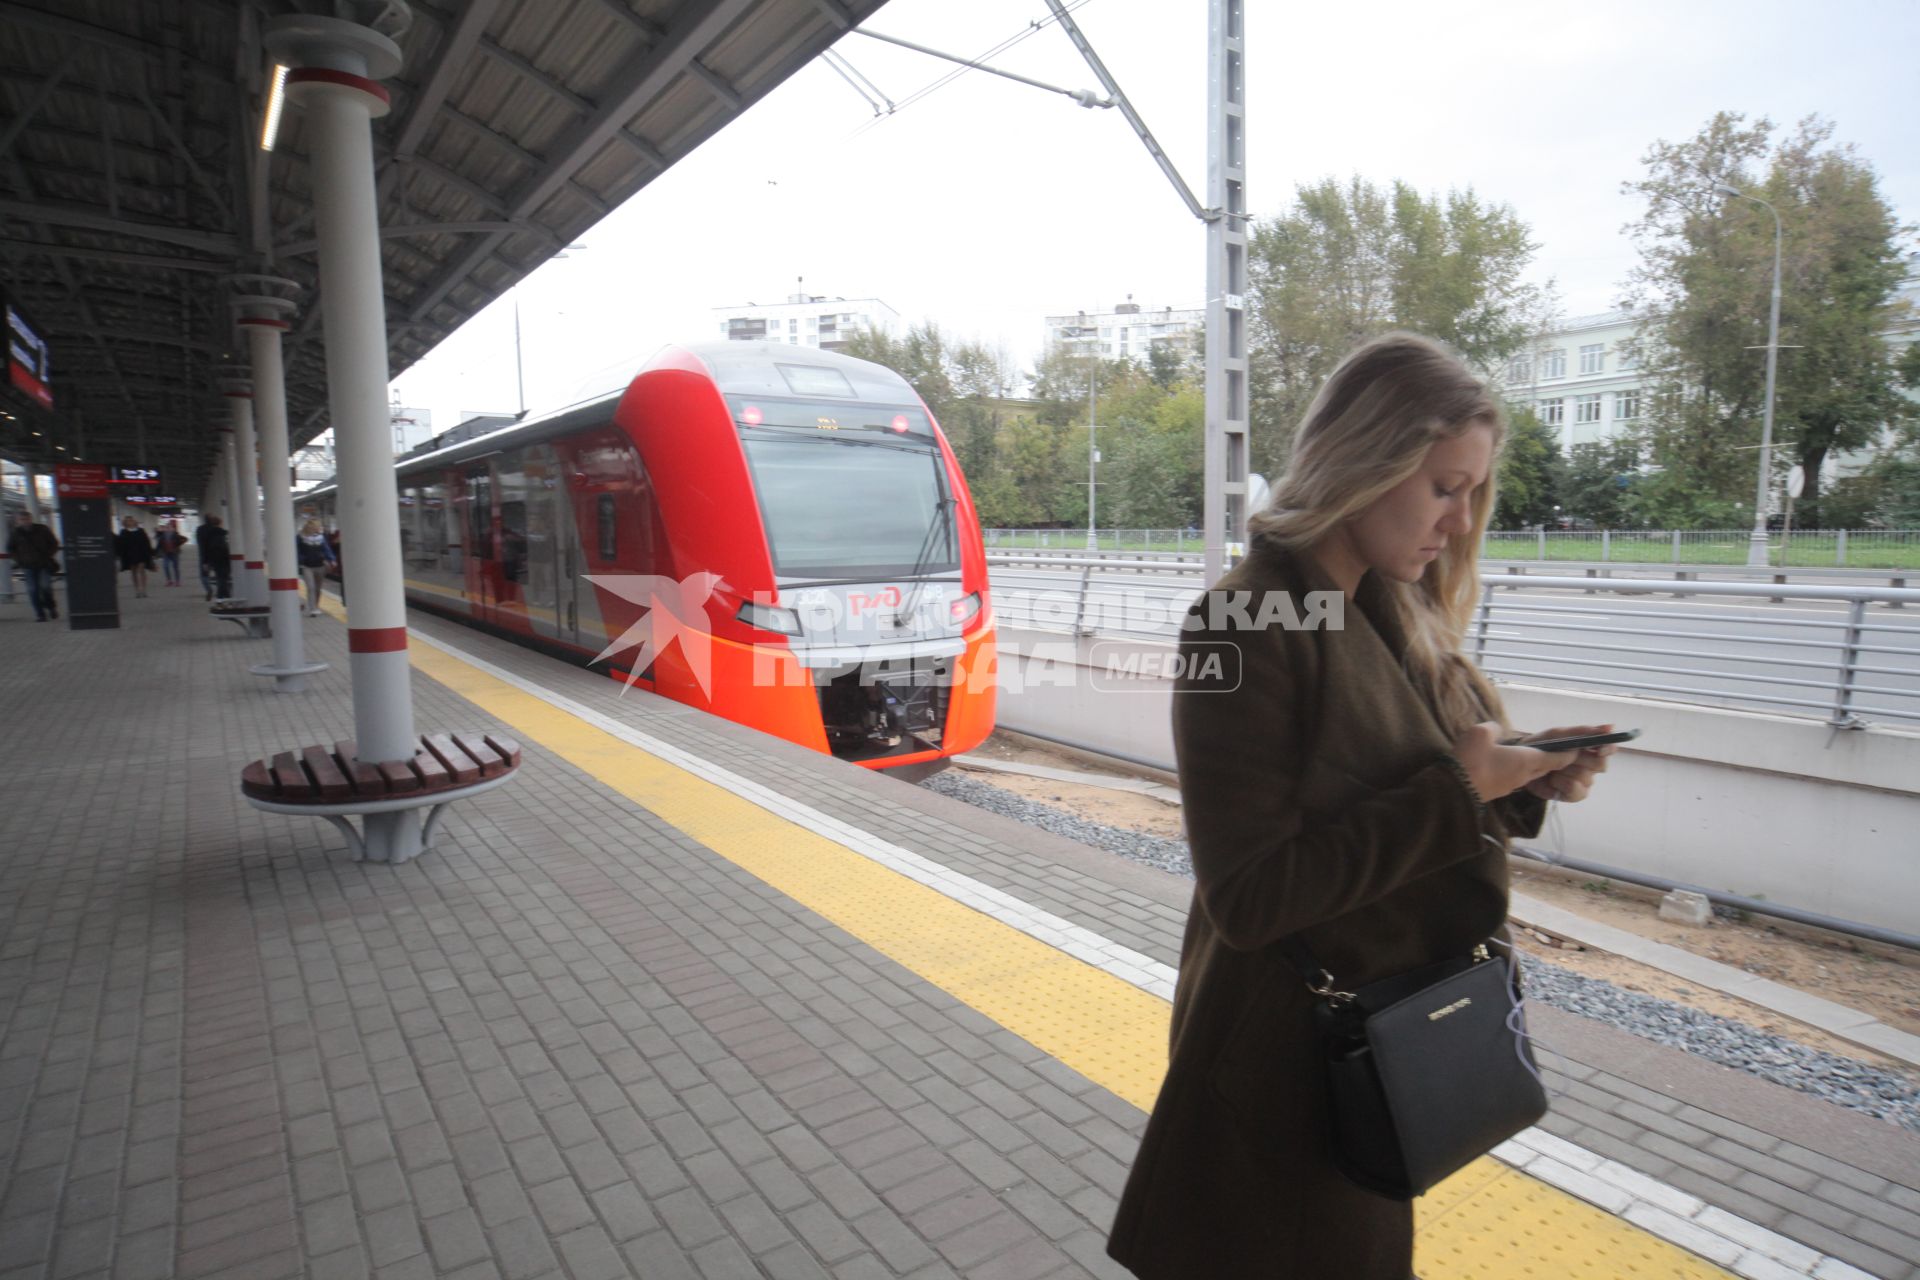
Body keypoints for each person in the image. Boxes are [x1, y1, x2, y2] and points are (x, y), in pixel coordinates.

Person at [1106, 333, 1617, 1280]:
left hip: (1368, 1046)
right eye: (1443, 487)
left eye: (1472, 493)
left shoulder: (1387, 604)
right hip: (1281, 1069)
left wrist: (1517, 780)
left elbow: (1399, 791)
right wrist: (1464, 791)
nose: (1461, 523)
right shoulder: (1243, 619)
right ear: (1364, 463)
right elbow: (1250, 896)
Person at [7, 510, 60, 621]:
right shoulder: (16, 533)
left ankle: (51, 607)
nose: (25, 522)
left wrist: (48, 554)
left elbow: (54, 543)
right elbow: (11, 548)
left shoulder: (42, 529)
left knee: (46, 587)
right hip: (27, 566)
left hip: (43, 563)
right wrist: (19, 560)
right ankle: (40, 614)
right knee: (32, 590)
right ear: (18, 521)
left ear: (31, 519)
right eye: (22, 520)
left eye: (27, 519)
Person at [296, 518, 336, 617]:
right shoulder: (300, 537)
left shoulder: (321, 538)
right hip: (307, 566)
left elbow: (326, 549)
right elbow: (296, 550)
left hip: (320, 566)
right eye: (318, 526)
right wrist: (301, 559)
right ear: (311, 527)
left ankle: (316, 606)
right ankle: (312, 608)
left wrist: (332, 559)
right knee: (311, 587)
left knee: (318, 588)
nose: (319, 528)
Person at [115, 515, 155, 599]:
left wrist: (151, 553)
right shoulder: (124, 532)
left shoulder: (140, 531)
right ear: (125, 523)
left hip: (141, 554)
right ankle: (137, 590)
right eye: (128, 521)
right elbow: (120, 544)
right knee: (133, 572)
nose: (130, 522)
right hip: (130, 555)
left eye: (131, 520)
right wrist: (119, 555)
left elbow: (146, 542)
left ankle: (143, 590)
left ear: (134, 521)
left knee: (141, 570)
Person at [195, 514, 232, 601]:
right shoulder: (222, 534)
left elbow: (202, 545)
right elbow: (222, 547)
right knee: (223, 579)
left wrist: (205, 560)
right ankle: (223, 597)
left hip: (209, 557)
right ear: (220, 523)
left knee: (205, 575)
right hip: (222, 559)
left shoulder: (202, 530)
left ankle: (210, 590)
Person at [154, 520, 188, 586]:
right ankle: (169, 580)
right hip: (166, 553)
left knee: (175, 567)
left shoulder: (176, 535)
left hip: (174, 553)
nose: (168, 528)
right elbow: (159, 545)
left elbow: (185, 539)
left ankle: (177, 581)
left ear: (172, 528)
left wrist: (178, 544)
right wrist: (155, 553)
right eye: (167, 527)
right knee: (165, 566)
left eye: (169, 527)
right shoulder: (163, 536)